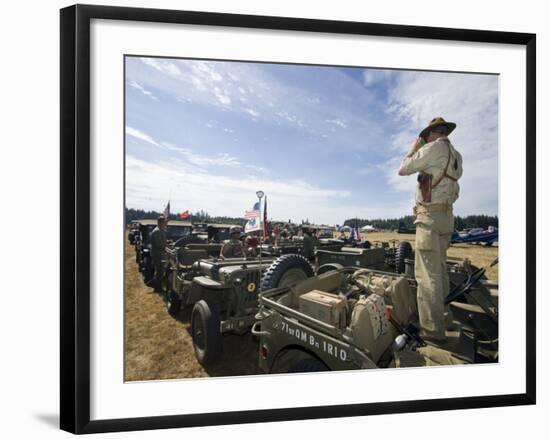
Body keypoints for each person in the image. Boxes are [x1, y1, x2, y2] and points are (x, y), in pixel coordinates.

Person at [398, 117, 463, 342]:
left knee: (427, 277)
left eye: (427, 137)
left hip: (430, 218)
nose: (425, 141)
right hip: (447, 218)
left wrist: (414, 148)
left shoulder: (434, 149)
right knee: (441, 272)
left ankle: (433, 332)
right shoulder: (456, 155)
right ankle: (444, 317)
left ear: (434, 134)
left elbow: (403, 169)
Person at [150, 215, 167, 293]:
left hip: (160, 253)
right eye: (163, 222)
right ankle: (157, 287)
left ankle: (156, 285)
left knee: (160, 270)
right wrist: (166, 246)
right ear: (159, 222)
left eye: (165, 222)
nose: (165, 223)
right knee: (159, 271)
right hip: (157, 253)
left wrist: (167, 242)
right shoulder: (157, 231)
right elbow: (158, 244)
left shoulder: (161, 230)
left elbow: (162, 241)